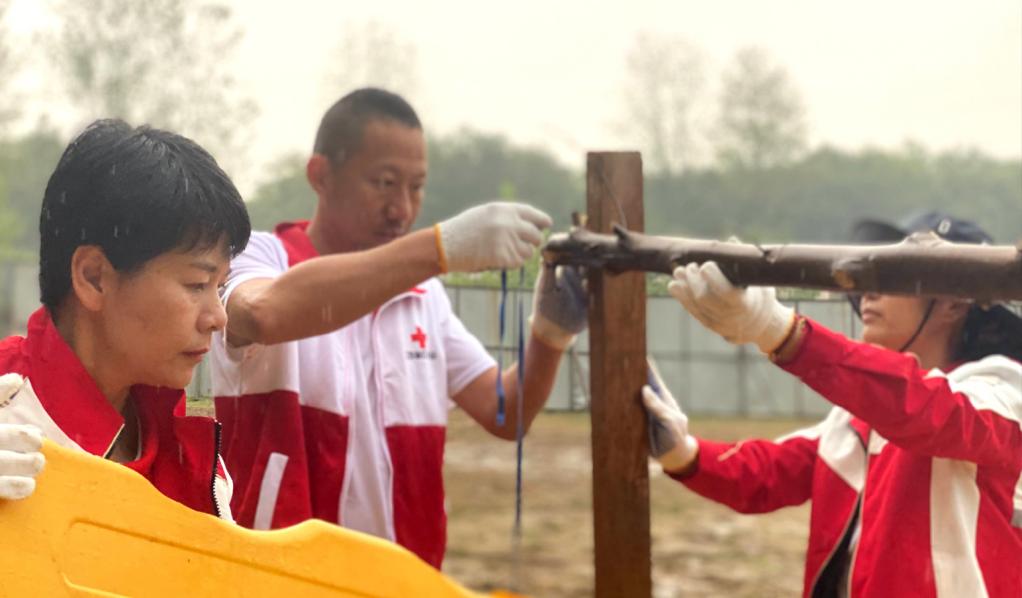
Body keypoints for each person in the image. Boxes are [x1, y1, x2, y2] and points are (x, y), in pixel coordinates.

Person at [211, 87, 587, 567]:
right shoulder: (263, 257)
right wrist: (438, 248)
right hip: (280, 575)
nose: (402, 209)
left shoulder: (425, 295)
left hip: (406, 576)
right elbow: (262, 314)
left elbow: (505, 411)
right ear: (320, 175)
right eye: (385, 183)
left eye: (416, 187)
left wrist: (550, 333)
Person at [642, 211, 1022, 597]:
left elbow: (923, 409)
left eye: (897, 277)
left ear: (954, 304)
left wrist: (779, 331)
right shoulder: (859, 416)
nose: (869, 292)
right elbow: (769, 473)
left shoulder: (1003, 389)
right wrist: (680, 452)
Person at [0, 119, 251, 521]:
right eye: (197, 284)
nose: (218, 318)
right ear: (93, 278)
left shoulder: (193, 451)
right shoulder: (8, 410)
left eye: (219, 287)